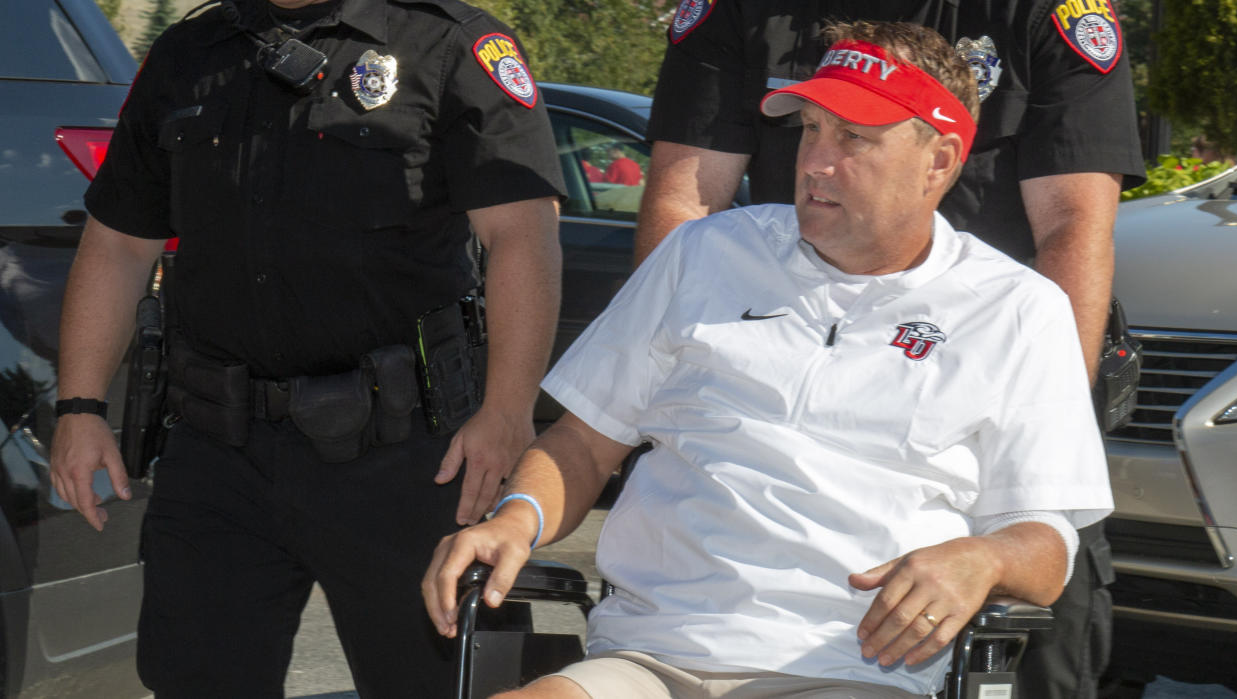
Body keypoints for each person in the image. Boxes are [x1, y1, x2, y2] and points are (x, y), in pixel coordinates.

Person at [424, 22, 1113, 698]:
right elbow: (581, 440)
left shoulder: (1016, 310)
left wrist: (984, 557)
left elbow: (1047, 544)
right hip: (646, 656)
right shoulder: (704, 254)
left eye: (855, 138)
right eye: (810, 128)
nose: (815, 159)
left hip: (849, 670)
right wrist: (516, 517)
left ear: (940, 159)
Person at [48, 0, 563, 696]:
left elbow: (523, 235)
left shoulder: (451, 43)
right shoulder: (188, 54)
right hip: (218, 452)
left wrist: (506, 410)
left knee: (431, 685)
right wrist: (79, 406)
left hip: (409, 454)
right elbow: (117, 242)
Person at [635, 2, 1146, 696]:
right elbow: (684, 202)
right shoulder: (746, 11)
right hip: (791, 378)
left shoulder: (1039, 12)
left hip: (992, 382)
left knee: (1041, 653)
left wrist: (1043, 452)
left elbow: (1073, 226)